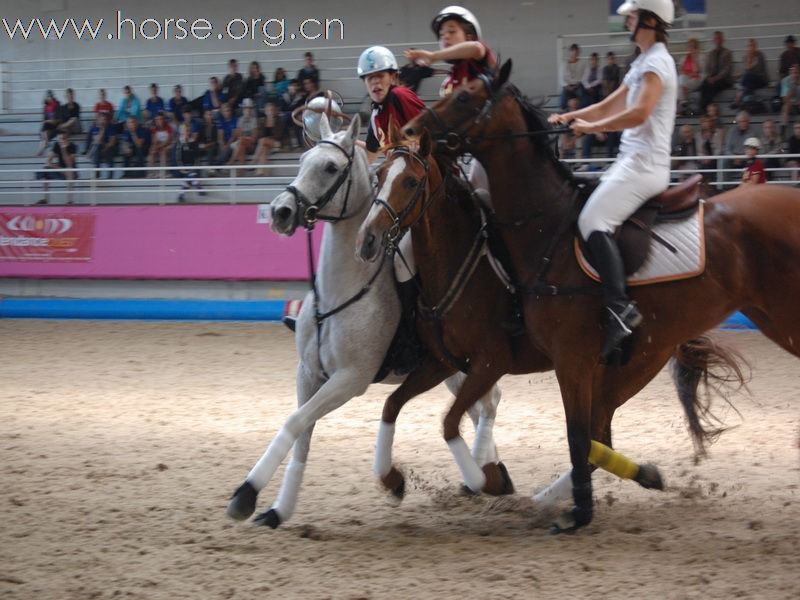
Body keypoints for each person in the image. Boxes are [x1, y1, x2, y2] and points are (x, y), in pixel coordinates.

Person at [548, 0, 677, 362]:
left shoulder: (657, 63)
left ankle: (620, 308)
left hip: (646, 165)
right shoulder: (640, 63)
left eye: (633, 16)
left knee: (593, 220)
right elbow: (609, 104)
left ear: (650, 20)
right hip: (629, 161)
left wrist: (592, 128)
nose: (628, 21)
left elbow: (638, 113)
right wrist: (570, 116)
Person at [35, 131, 76, 204]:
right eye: (59, 139)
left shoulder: (73, 146)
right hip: (60, 169)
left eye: (63, 138)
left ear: (67, 139)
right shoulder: (57, 144)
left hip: (72, 171)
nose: (61, 141)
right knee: (45, 170)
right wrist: (59, 168)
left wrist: (63, 149)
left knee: (69, 171)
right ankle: (45, 199)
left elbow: (69, 164)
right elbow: (48, 161)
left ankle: (70, 200)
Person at [698, 31, 733, 112]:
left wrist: (716, 78)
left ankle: (703, 107)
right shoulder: (711, 54)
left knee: (713, 87)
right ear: (713, 40)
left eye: (719, 38)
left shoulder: (727, 53)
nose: (718, 40)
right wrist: (708, 77)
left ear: (722, 40)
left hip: (724, 79)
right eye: (716, 38)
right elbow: (706, 69)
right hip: (712, 78)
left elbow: (727, 69)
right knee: (703, 85)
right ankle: (705, 107)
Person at [732, 38, 769, 109]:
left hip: (761, 80)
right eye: (749, 46)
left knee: (748, 77)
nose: (750, 47)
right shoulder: (744, 57)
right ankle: (744, 102)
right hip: (749, 82)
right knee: (747, 83)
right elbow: (746, 72)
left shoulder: (760, 55)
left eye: (752, 45)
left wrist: (742, 73)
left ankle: (738, 99)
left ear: (756, 46)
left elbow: (757, 71)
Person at [229, 98, 260, 171]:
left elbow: (254, 138)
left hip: (252, 146)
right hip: (242, 144)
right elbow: (238, 135)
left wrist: (243, 137)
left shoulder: (254, 120)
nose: (248, 110)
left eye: (249, 108)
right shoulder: (240, 120)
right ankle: (241, 170)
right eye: (246, 108)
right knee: (241, 145)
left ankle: (231, 162)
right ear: (243, 109)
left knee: (241, 142)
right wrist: (244, 137)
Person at [84, 111, 116, 179]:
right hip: (97, 147)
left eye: (104, 119)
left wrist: (105, 148)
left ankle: (110, 176)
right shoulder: (94, 128)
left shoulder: (111, 127)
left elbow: (112, 142)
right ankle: (97, 174)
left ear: (107, 120)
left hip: (108, 148)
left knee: (109, 150)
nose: (103, 121)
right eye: (101, 119)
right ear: (98, 120)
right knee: (97, 146)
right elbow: (96, 141)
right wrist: (102, 130)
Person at [252, 102, 280, 175]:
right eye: (268, 110)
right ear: (265, 111)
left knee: (263, 141)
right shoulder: (263, 121)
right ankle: (262, 172)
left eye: (272, 110)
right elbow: (261, 135)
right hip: (265, 143)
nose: (270, 112)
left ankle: (254, 161)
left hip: (276, 143)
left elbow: (278, 136)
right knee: (263, 149)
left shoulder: (279, 120)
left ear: (274, 111)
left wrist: (272, 122)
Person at [677, 37, 702, 114]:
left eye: (693, 46)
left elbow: (698, 71)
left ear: (696, 47)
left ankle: (682, 102)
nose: (691, 48)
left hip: (697, 79)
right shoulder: (684, 58)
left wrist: (694, 58)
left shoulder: (701, 57)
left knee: (681, 85)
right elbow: (680, 70)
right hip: (686, 78)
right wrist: (688, 73)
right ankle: (683, 101)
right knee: (681, 79)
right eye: (690, 46)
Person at [147, 111, 173, 178]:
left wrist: (159, 146)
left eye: (161, 119)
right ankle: (152, 173)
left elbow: (168, 141)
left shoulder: (168, 127)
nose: (159, 121)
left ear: (164, 120)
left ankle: (164, 172)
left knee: (163, 151)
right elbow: (154, 141)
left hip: (168, 145)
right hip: (159, 144)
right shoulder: (154, 128)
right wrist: (155, 147)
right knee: (152, 152)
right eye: (157, 119)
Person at [37, 90, 61, 156]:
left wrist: (48, 121)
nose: (49, 98)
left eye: (50, 97)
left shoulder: (57, 105)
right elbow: (44, 119)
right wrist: (47, 121)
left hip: (56, 126)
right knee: (43, 131)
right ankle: (46, 144)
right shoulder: (45, 107)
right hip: (48, 127)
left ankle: (43, 147)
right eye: (48, 97)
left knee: (44, 132)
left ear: (52, 97)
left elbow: (57, 119)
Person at [560, 43, 582, 109]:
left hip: (577, 86)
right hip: (567, 86)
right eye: (573, 52)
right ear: (570, 52)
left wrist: (577, 84)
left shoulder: (582, 63)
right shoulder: (564, 64)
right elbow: (561, 79)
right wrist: (567, 86)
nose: (574, 54)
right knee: (562, 104)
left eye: (576, 52)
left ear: (578, 53)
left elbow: (583, 76)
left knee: (583, 101)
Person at [777, 35, 800, 100]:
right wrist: (783, 79)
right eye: (788, 43)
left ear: (794, 43)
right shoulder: (783, 55)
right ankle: (782, 102)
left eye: (791, 43)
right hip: (788, 77)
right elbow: (781, 71)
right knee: (779, 85)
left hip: (798, 76)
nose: (789, 45)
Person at [780, 64, 800, 130]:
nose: (795, 75)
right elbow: (784, 99)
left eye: (796, 73)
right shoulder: (785, 81)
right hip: (791, 105)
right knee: (785, 107)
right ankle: (783, 130)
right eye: (793, 73)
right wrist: (792, 87)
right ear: (790, 73)